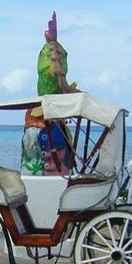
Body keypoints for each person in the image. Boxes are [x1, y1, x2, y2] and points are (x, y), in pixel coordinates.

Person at [21, 11, 78, 175]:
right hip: (42, 117)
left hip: (53, 116)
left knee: (60, 146)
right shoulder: (36, 120)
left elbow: (64, 85)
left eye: (60, 55)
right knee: (36, 148)